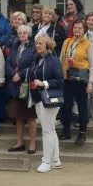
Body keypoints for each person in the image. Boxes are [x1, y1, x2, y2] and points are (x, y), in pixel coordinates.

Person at [30, 35, 64, 173]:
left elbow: (60, 81)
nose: (37, 46)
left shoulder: (54, 61)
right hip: (40, 99)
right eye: (37, 43)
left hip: (50, 99)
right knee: (50, 129)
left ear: (48, 46)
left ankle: (46, 161)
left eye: (41, 43)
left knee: (47, 131)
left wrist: (43, 83)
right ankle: (55, 160)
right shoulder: (39, 59)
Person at [60, 20, 93, 145]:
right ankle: (66, 131)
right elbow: (61, 59)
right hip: (67, 78)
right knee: (66, 106)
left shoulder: (88, 44)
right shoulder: (67, 41)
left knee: (82, 107)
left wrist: (91, 82)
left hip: (81, 80)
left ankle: (82, 133)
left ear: (84, 30)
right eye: (75, 28)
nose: (77, 30)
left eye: (80, 28)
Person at [6, 24, 38, 154]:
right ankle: (20, 142)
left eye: (25, 33)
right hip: (14, 86)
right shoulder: (15, 46)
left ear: (29, 34)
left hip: (27, 86)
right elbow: (7, 62)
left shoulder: (34, 48)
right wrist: (12, 74)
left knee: (30, 116)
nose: (22, 35)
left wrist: (21, 74)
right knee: (18, 116)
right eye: (20, 33)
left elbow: (34, 66)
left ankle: (32, 143)